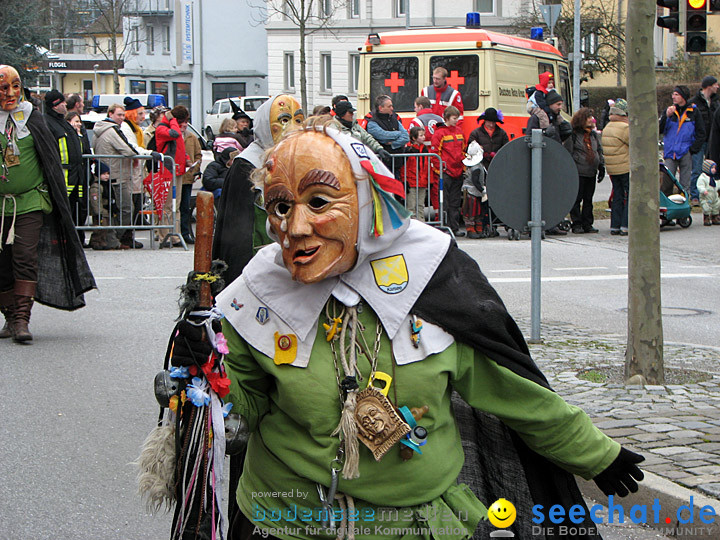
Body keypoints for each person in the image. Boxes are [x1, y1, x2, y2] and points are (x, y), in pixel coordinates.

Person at [173, 124, 645, 540]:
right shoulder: (259, 291)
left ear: (362, 198)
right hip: (291, 522)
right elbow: (243, 410)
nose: (294, 227)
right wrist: (210, 367)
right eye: (279, 206)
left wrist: (596, 454)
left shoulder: (430, 275)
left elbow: (514, 394)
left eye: (318, 201)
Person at [211, 94, 304, 535]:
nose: (291, 125)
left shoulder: (310, 161)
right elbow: (231, 241)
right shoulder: (244, 171)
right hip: (260, 296)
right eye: (281, 119)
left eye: (298, 117)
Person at [0, 64, 95, 342]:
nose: (10, 93)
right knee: (2, 262)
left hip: (30, 201)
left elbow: (50, 160)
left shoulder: (32, 118)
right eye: (4, 87)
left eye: (15, 86)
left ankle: (21, 320)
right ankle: (9, 316)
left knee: (25, 257)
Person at [91, 103, 142, 249]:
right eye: (119, 115)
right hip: (116, 176)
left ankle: (110, 239)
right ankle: (113, 239)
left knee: (112, 210)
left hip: (107, 175)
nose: (122, 118)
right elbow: (128, 150)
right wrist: (146, 154)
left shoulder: (99, 131)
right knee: (125, 208)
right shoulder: (111, 131)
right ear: (110, 114)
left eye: (123, 115)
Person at [43, 90, 88, 246]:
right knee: (61, 209)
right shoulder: (48, 122)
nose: (64, 105)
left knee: (76, 208)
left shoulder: (62, 121)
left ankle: (74, 240)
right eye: (61, 102)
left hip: (75, 174)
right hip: (63, 175)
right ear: (55, 105)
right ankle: (60, 240)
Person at [527, 90, 570, 236]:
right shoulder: (536, 118)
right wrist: (544, 135)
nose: (560, 107)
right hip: (541, 162)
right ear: (550, 104)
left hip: (553, 160)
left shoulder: (555, 118)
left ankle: (554, 222)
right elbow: (529, 137)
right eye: (558, 104)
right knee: (543, 195)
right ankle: (545, 223)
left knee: (554, 194)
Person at [659, 86, 705, 201]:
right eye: (673, 94)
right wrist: (666, 116)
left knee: (684, 185)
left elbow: (701, 132)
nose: (673, 97)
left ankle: (683, 212)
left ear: (683, 97)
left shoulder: (693, 112)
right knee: (667, 182)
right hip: (670, 152)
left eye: (676, 94)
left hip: (685, 152)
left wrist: (692, 149)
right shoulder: (669, 111)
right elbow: (659, 130)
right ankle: (667, 210)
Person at [564, 108, 605, 234]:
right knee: (577, 199)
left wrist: (601, 166)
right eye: (588, 118)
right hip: (578, 171)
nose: (591, 120)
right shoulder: (574, 135)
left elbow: (598, 150)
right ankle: (576, 223)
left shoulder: (593, 135)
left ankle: (588, 223)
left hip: (591, 171)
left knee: (588, 199)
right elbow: (569, 152)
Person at [121, 96, 154, 246]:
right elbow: (132, 148)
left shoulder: (136, 128)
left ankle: (130, 236)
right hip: (130, 170)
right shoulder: (127, 128)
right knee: (131, 205)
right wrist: (148, 153)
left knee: (136, 203)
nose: (143, 117)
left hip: (136, 170)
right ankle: (127, 237)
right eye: (140, 113)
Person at [155, 105, 191, 243]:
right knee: (168, 205)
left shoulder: (169, 127)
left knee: (176, 205)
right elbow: (175, 135)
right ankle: (165, 235)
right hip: (168, 171)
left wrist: (186, 159)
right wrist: (172, 121)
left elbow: (179, 146)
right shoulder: (162, 129)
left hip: (177, 170)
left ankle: (175, 235)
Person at [431, 105, 465, 236]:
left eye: (457, 118)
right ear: (447, 118)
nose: (456, 121)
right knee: (443, 202)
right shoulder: (439, 133)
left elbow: (463, 149)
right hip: (445, 173)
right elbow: (435, 154)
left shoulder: (460, 132)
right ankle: (443, 228)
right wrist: (439, 170)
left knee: (455, 202)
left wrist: (463, 165)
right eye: (454, 118)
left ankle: (454, 228)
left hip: (458, 171)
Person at [688, 76, 719, 204]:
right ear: (708, 86)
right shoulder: (694, 102)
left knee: (712, 169)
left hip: (713, 141)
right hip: (699, 141)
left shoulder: (716, 102)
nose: (718, 87)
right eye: (715, 84)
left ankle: (712, 195)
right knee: (697, 169)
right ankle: (695, 196)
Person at [601, 98, 630, 236]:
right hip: (625, 166)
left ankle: (615, 226)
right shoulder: (624, 128)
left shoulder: (608, 127)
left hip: (612, 168)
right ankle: (626, 225)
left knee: (617, 196)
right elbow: (634, 144)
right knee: (630, 196)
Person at [409, 96, 444, 209]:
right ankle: (440, 214)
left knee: (421, 190)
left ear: (421, 106)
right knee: (438, 189)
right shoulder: (440, 119)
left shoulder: (416, 121)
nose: (415, 110)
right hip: (438, 159)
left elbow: (410, 140)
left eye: (415, 107)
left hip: (423, 161)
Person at [365, 95, 409, 174]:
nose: (392, 108)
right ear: (381, 108)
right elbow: (383, 136)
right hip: (381, 163)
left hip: (396, 163)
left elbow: (406, 137)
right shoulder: (372, 122)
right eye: (389, 106)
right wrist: (398, 133)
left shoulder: (394, 119)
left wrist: (393, 143)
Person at [461, 140, 489, 239]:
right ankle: (471, 230)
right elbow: (475, 181)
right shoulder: (476, 168)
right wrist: (482, 190)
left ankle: (479, 229)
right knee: (471, 212)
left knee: (478, 212)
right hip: (471, 191)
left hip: (475, 192)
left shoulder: (478, 166)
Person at [401, 125, 429, 221]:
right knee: (411, 206)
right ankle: (411, 225)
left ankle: (422, 224)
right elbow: (404, 167)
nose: (423, 137)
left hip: (422, 181)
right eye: (421, 135)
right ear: (414, 138)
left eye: (423, 135)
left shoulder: (425, 149)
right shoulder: (408, 150)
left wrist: (429, 180)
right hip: (411, 181)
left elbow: (427, 166)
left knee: (421, 205)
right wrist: (404, 180)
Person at [698, 159, 720, 226]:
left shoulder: (713, 178)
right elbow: (700, 185)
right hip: (706, 196)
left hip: (714, 195)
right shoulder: (703, 177)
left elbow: (717, 184)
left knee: (716, 205)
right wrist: (703, 190)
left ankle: (715, 217)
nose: (714, 170)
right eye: (712, 168)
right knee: (706, 207)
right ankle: (707, 218)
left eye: (714, 168)